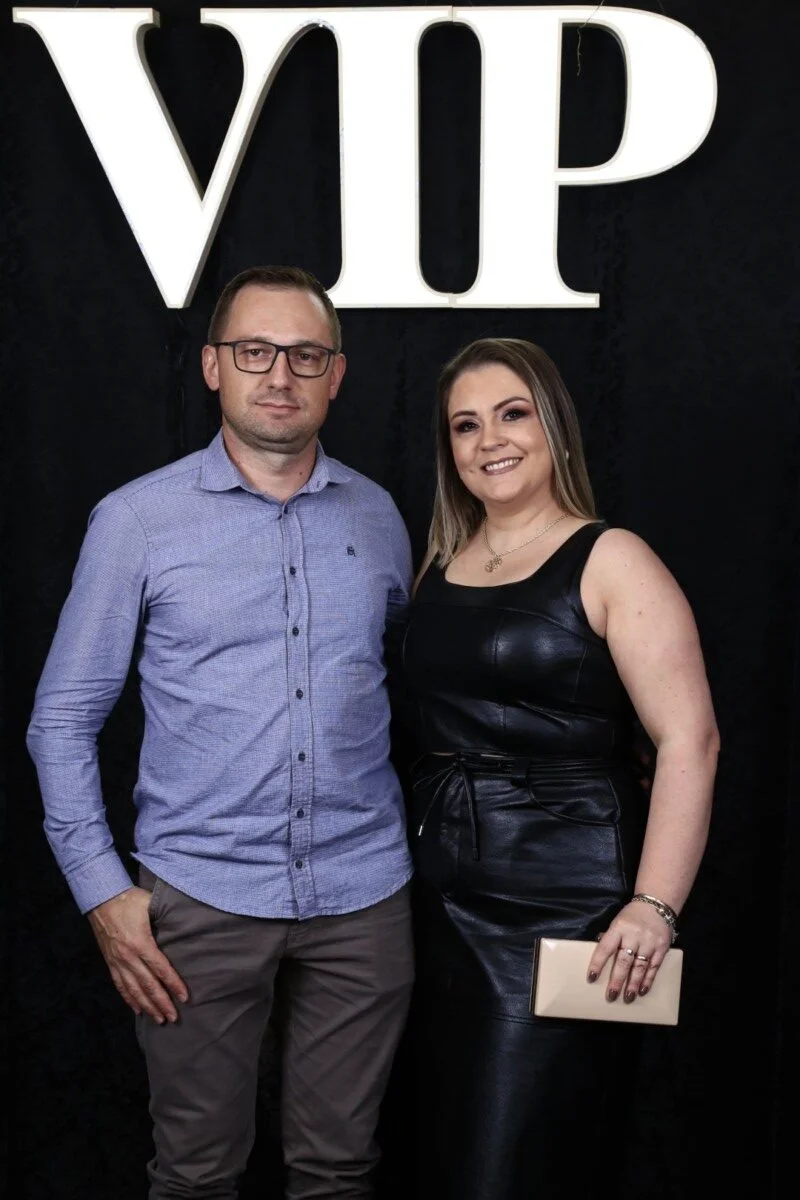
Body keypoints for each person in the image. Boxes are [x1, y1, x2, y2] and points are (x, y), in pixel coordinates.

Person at [26, 266, 415, 1200]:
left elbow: (407, 680)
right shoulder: (137, 521)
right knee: (197, 1176)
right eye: (254, 352)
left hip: (364, 898)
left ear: (336, 375)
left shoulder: (380, 516)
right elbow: (63, 719)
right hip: (197, 900)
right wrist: (101, 891)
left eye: (305, 355)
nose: (279, 374)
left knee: (341, 1174)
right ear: (212, 367)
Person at [400, 337, 719, 1200]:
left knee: (509, 1166)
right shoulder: (441, 562)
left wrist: (654, 907)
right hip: (437, 904)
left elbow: (690, 741)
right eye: (466, 425)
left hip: (563, 904)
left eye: (512, 414)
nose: (490, 440)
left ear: (555, 426)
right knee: (439, 1156)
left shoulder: (613, 558)